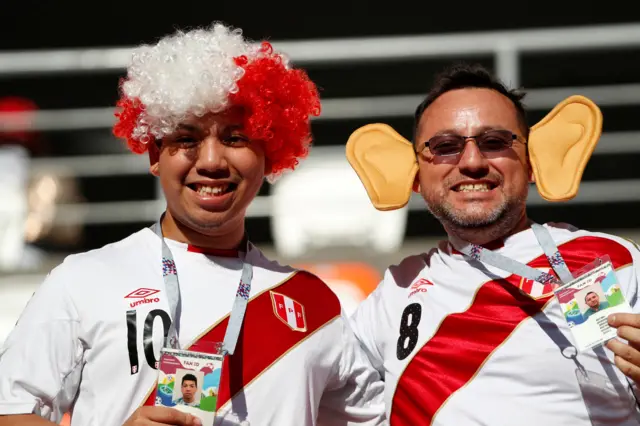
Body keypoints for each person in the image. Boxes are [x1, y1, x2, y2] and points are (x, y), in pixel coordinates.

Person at [0, 23, 386, 426]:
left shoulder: (316, 304)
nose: (212, 161)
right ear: (154, 154)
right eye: (187, 139)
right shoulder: (82, 280)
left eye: (235, 138)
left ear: (269, 154)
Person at [345, 63, 640, 425]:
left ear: (533, 162)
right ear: (415, 176)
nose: (472, 162)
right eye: (445, 146)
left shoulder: (610, 259)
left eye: (495, 142)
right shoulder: (393, 291)